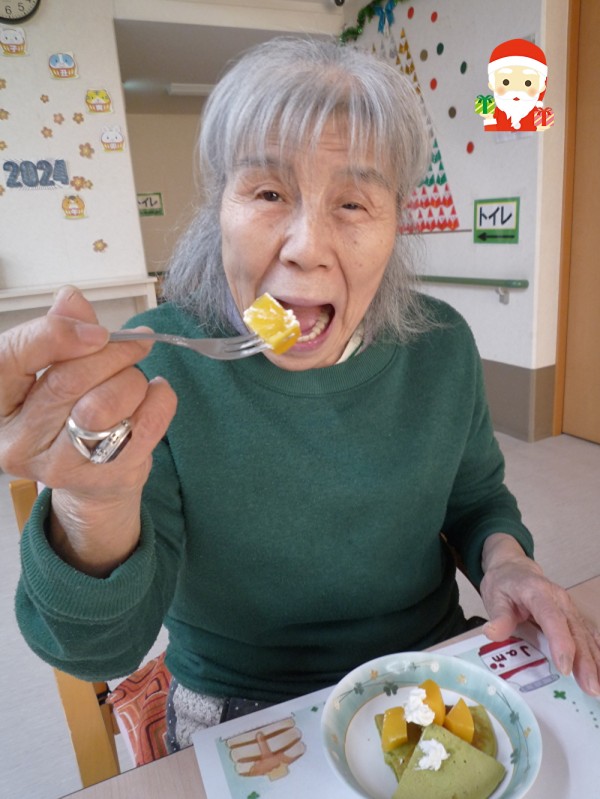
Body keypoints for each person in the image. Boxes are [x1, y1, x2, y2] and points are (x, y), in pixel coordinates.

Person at [1, 37, 598, 753]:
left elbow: (475, 501)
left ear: (396, 225)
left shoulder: (440, 346)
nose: (306, 247)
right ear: (218, 209)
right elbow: (98, 649)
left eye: (352, 202)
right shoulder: (156, 371)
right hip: (242, 698)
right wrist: (90, 507)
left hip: (427, 662)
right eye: (268, 193)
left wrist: (507, 561)